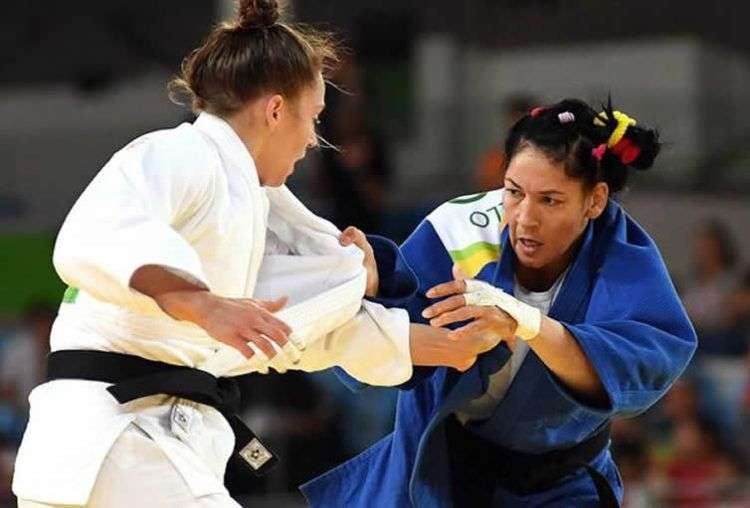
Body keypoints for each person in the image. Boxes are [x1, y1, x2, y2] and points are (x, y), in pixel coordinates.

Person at [12, 2, 485, 507]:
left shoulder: (250, 203)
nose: (312, 140)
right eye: (314, 117)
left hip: (123, 450)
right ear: (276, 110)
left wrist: (453, 345)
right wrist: (201, 304)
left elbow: (290, 328)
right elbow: (98, 233)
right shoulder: (180, 154)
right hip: (116, 442)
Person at [301, 98, 698, 507]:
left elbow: (638, 367)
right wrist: (371, 287)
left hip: (560, 480)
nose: (525, 216)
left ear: (595, 200)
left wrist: (525, 323)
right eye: (514, 191)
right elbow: (394, 331)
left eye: (550, 200)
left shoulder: (622, 259)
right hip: (443, 467)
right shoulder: (458, 231)